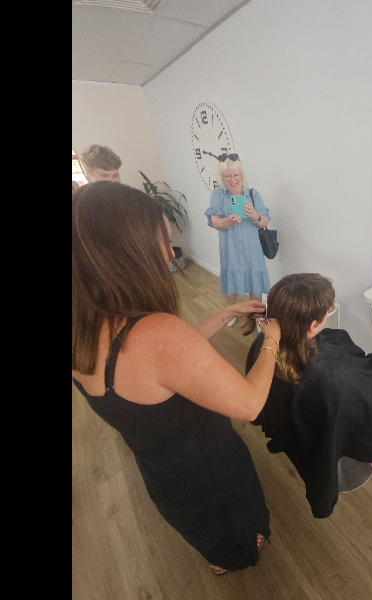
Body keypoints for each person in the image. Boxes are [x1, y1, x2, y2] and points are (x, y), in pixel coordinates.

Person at [72, 181, 282, 575]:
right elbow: (250, 403)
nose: (171, 254)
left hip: (164, 474)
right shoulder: (157, 334)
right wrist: (272, 340)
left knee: (203, 532)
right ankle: (233, 558)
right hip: (210, 472)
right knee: (235, 533)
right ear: (125, 252)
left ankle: (217, 561)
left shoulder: (85, 325)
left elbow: (162, 365)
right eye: (163, 242)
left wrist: (225, 314)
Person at [242, 274, 372, 518]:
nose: (329, 313)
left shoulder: (265, 344)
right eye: (327, 312)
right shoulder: (335, 378)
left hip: (292, 426)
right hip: (324, 417)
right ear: (313, 325)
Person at [204, 155, 271, 327]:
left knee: (255, 283)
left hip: (252, 248)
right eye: (227, 176)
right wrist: (229, 221)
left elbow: (265, 222)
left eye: (236, 175)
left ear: (242, 175)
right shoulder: (218, 194)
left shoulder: (253, 194)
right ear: (222, 177)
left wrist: (254, 215)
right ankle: (231, 312)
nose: (232, 179)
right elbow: (216, 223)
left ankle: (257, 316)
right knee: (231, 282)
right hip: (230, 247)